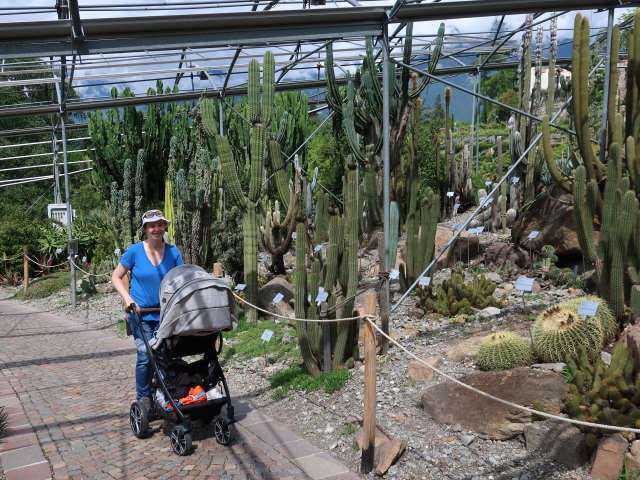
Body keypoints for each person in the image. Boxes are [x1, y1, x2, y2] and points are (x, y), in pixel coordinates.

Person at [112, 209, 184, 404]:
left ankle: (164, 392)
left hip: (166, 314)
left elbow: (181, 279)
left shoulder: (173, 252)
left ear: (165, 227)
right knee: (146, 355)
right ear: (145, 228)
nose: (156, 229)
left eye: (160, 224)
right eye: (152, 225)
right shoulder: (134, 251)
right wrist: (128, 300)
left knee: (164, 354)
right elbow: (116, 277)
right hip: (141, 314)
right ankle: (143, 396)